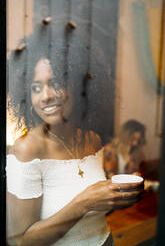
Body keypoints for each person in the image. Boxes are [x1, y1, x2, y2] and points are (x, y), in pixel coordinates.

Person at [6, 33, 144, 246]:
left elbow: (96, 213)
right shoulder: (27, 150)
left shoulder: (91, 140)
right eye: (36, 88)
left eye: (56, 83)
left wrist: (117, 198)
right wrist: (84, 202)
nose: (46, 96)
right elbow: (23, 242)